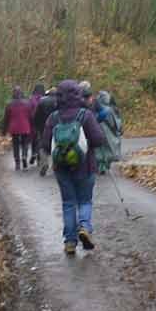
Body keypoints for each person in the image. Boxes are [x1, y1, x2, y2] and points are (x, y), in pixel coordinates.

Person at [43, 79, 106, 255]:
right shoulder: (85, 115)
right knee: (85, 200)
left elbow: (46, 145)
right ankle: (84, 227)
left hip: (62, 168)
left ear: (59, 96)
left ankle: (70, 242)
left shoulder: (53, 118)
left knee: (68, 203)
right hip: (86, 166)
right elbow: (99, 139)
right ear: (78, 94)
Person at [1, 86, 34, 170]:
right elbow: (31, 116)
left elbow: (6, 118)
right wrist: (32, 127)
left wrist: (4, 131)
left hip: (14, 128)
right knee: (25, 143)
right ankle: (24, 156)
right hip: (25, 126)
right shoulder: (27, 103)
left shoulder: (9, 104)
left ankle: (17, 163)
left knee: (15, 145)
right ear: (21, 93)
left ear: (13, 94)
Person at [94, 90, 124, 173]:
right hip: (108, 133)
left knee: (99, 150)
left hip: (99, 130)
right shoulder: (110, 109)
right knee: (108, 150)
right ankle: (104, 166)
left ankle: (100, 166)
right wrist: (118, 130)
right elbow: (115, 122)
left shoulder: (96, 107)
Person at [32, 86, 58, 176]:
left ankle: (45, 163)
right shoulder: (60, 101)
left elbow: (36, 114)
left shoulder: (42, 101)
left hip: (43, 126)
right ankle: (55, 164)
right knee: (56, 145)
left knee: (43, 145)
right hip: (56, 127)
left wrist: (36, 125)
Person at [27, 82, 46, 165]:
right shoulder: (44, 98)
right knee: (40, 139)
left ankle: (33, 153)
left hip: (32, 121)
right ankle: (39, 158)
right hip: (42, 122)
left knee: (33, 139)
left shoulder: (31, 99)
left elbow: (28, 110)